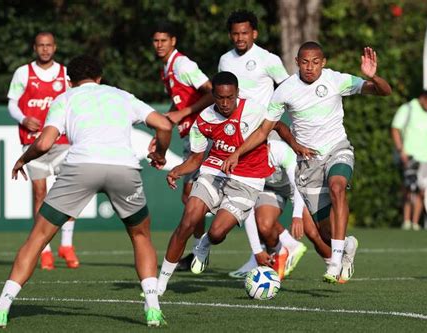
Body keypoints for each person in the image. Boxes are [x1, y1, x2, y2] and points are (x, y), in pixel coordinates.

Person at [0, 55, 172, 328]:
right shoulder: (122, 96)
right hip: (123, 169)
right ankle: (152, 308)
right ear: (100, 78)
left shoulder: (65, 98)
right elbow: (164, 125)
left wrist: (23, 159)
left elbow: (45, 143)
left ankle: (1, 309)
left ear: (69, 81)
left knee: (37, 238)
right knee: (141, 236)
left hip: (81, 167)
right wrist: (160, 154)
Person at [222, 42, 392, 284]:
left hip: (337, 149)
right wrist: (238, 152)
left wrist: (374, 76)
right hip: (308, 163)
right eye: (304, 62)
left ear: (323, 62)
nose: (310, 67)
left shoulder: (336, 80)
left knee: (337, 186)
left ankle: (334, 263)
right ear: (296, 62)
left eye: (315, 62)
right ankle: (346, 246)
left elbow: (384, 92)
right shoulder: (284, 90)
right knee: (324, 231)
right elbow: (265, 130)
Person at [156, 71, 274, 296]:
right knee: (188, 220)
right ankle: (160, 284)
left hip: (248, 180)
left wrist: (295, 146)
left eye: (230, 97)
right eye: (220, 98)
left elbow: (276, 126)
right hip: (214, 173)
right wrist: (177, 171)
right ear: (213, 95)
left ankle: (205, 244)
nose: (225, 103)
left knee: (218, 233)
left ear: (237, 94)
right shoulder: (204, 119)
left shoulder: (255, 110)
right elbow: (195, 159)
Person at [219, 9, 290, 277]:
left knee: (263, 191)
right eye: (235, 33)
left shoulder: (268, 59)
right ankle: (260, 253)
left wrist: (278, 126)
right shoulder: (224, 60)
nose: (240, 38)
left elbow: (287, 90)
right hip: (235, 137)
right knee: (245, 195)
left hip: (263, 135)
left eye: (245, 33)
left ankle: (289, 245)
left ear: (254, 34)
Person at [7, 32, 78, 270]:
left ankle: (66, 245)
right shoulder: (22, 72)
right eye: (41, 46)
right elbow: (12, 103)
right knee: (40, 193)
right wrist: (24, 118)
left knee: (69, 189)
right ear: (35, 47)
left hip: (62, 140)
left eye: (49, 45)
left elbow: (74, 102)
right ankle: (44, 249)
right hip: (33, 142)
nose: (45, 49)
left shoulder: (65, 73)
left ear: (55, 47)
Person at [152, 22, 213, 270]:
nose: (159, 45)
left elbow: (212, 92)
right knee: (189, 196)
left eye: (163, 40)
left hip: (205, 136)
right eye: (156, 40)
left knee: (196, 196)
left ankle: (201, 253)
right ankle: (200, 253)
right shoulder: (166, 68)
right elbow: (178, 106)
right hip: (192, 137)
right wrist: (164, 125)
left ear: (173, 41)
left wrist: (184, 113)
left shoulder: (183, 65)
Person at [236, 133, 308, 280]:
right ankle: (280, 252)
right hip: (270, 190)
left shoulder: (281, 151)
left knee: (314, 233)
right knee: (264, 225)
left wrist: (297, 216)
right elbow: (247, 209)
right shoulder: (244, 161)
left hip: (297, 189)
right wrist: (256, 251)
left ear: (267, 144)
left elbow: (298, 186)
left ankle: (335, 263)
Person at [391, 89, 427, 230]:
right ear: (423, 98)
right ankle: (406, 221)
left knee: (422, 190)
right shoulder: (408, 108)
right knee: (409, 189)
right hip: (411, 155)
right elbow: (395, 128)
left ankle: (415, 222)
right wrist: (401, 150)